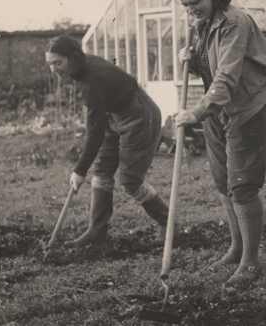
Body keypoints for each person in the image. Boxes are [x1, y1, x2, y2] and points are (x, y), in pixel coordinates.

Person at [173, 0, 266, 287]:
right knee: (223, 181)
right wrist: (191, 59)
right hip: (219, 111)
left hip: (248, 109)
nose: (191, 10)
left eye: (196, 2)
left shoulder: (235, 23)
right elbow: (211, 68)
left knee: (243, 186)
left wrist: (196, 113)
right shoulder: (203, 24)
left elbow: (228, 76)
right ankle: (236, 247)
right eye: (186, 6)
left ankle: (251, 261)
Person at [45, 36, 172, 248]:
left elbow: (94, 132)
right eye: (49, 64)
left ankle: (168, 224)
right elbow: (98, 127)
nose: (53, 69)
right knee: (102, 172)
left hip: (140, 115)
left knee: (131, 180)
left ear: (73, 57)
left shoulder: (90, 82)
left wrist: (79, 170)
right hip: (115, 114)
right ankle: (97, 231)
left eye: (57, 63)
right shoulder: (81, 67)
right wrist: (85, 169)